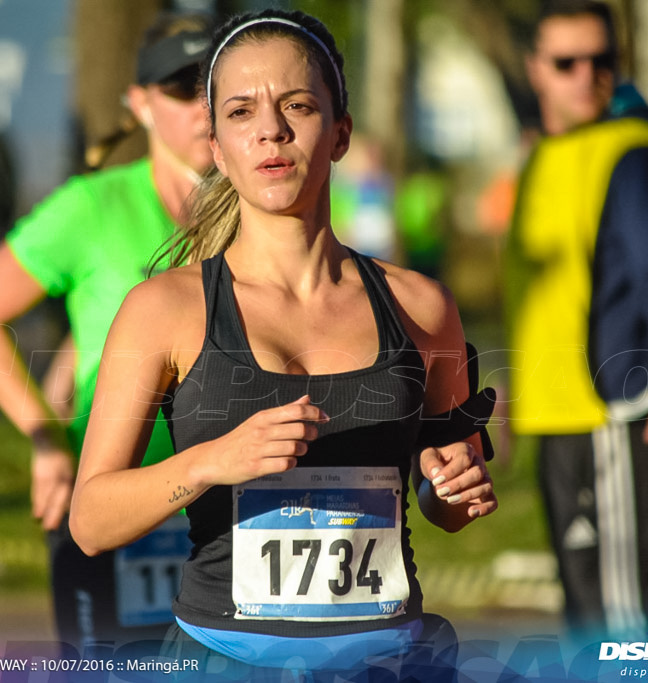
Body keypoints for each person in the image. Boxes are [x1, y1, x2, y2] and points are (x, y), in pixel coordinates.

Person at [69, 10, 498, 680]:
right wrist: (214, 460)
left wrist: (452, 491)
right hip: (225, 660)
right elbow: (91, 520)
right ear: (217, 146)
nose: (270, 129)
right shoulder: (165, 309)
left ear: (341, 133)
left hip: (387, 660)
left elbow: (443, 502)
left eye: (296, 104)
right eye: (241, 111)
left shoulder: (421, 306)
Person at [0, 13, 215, 651]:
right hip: (115, 498)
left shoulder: (270, 211)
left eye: (216, 85)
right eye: (182, 90)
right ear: (140, 105)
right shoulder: (90, 206)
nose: (203, 108)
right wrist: (44, 435)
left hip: (233, 500)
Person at [504, 0, 648, 637]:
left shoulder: (635, 155)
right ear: (536, 69)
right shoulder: (544, 159)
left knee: (626, 622)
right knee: (587, 617)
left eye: (602, 60)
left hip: (615, 413)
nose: (587, 75)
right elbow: (538, 294)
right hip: (560, 418)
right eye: (567, 62)